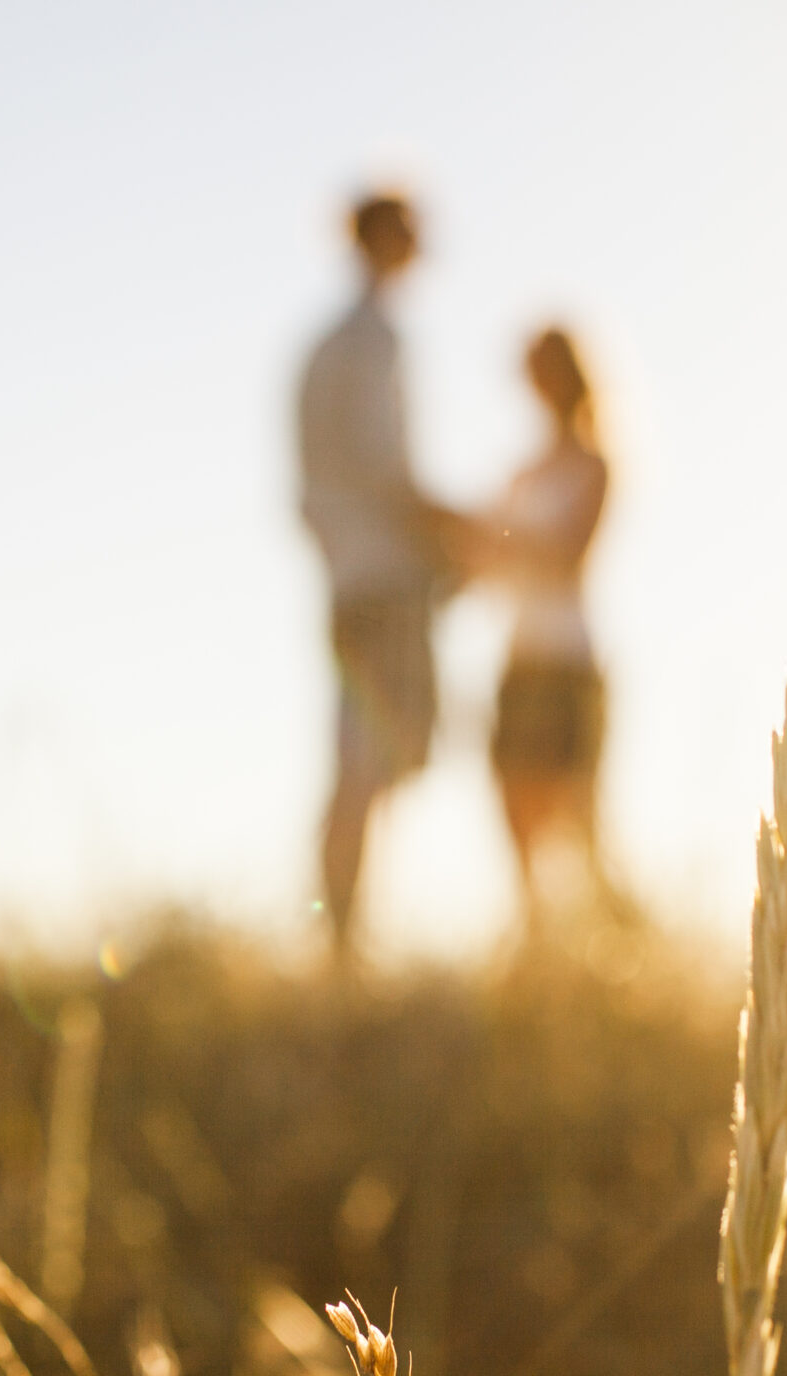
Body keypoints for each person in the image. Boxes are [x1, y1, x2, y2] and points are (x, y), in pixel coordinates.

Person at [296, 193, 462, 959]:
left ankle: (342, 936)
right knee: (373, 760)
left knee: (358, 756)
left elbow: (310, 488)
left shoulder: (321, 347)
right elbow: (387, 470)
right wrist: (460, 534)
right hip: (388, 577)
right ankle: (344, 941)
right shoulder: (375, 341)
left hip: (346, 575)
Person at [473, 327, 620, 926]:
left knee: (580, 813)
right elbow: (480, 560)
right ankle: (536, 942)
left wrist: (501, 543)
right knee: (514, 812)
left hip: (568, 659)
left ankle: (608, 947)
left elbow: (571, 552)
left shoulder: (595, 465)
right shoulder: (522, 472)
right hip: (520, 656)